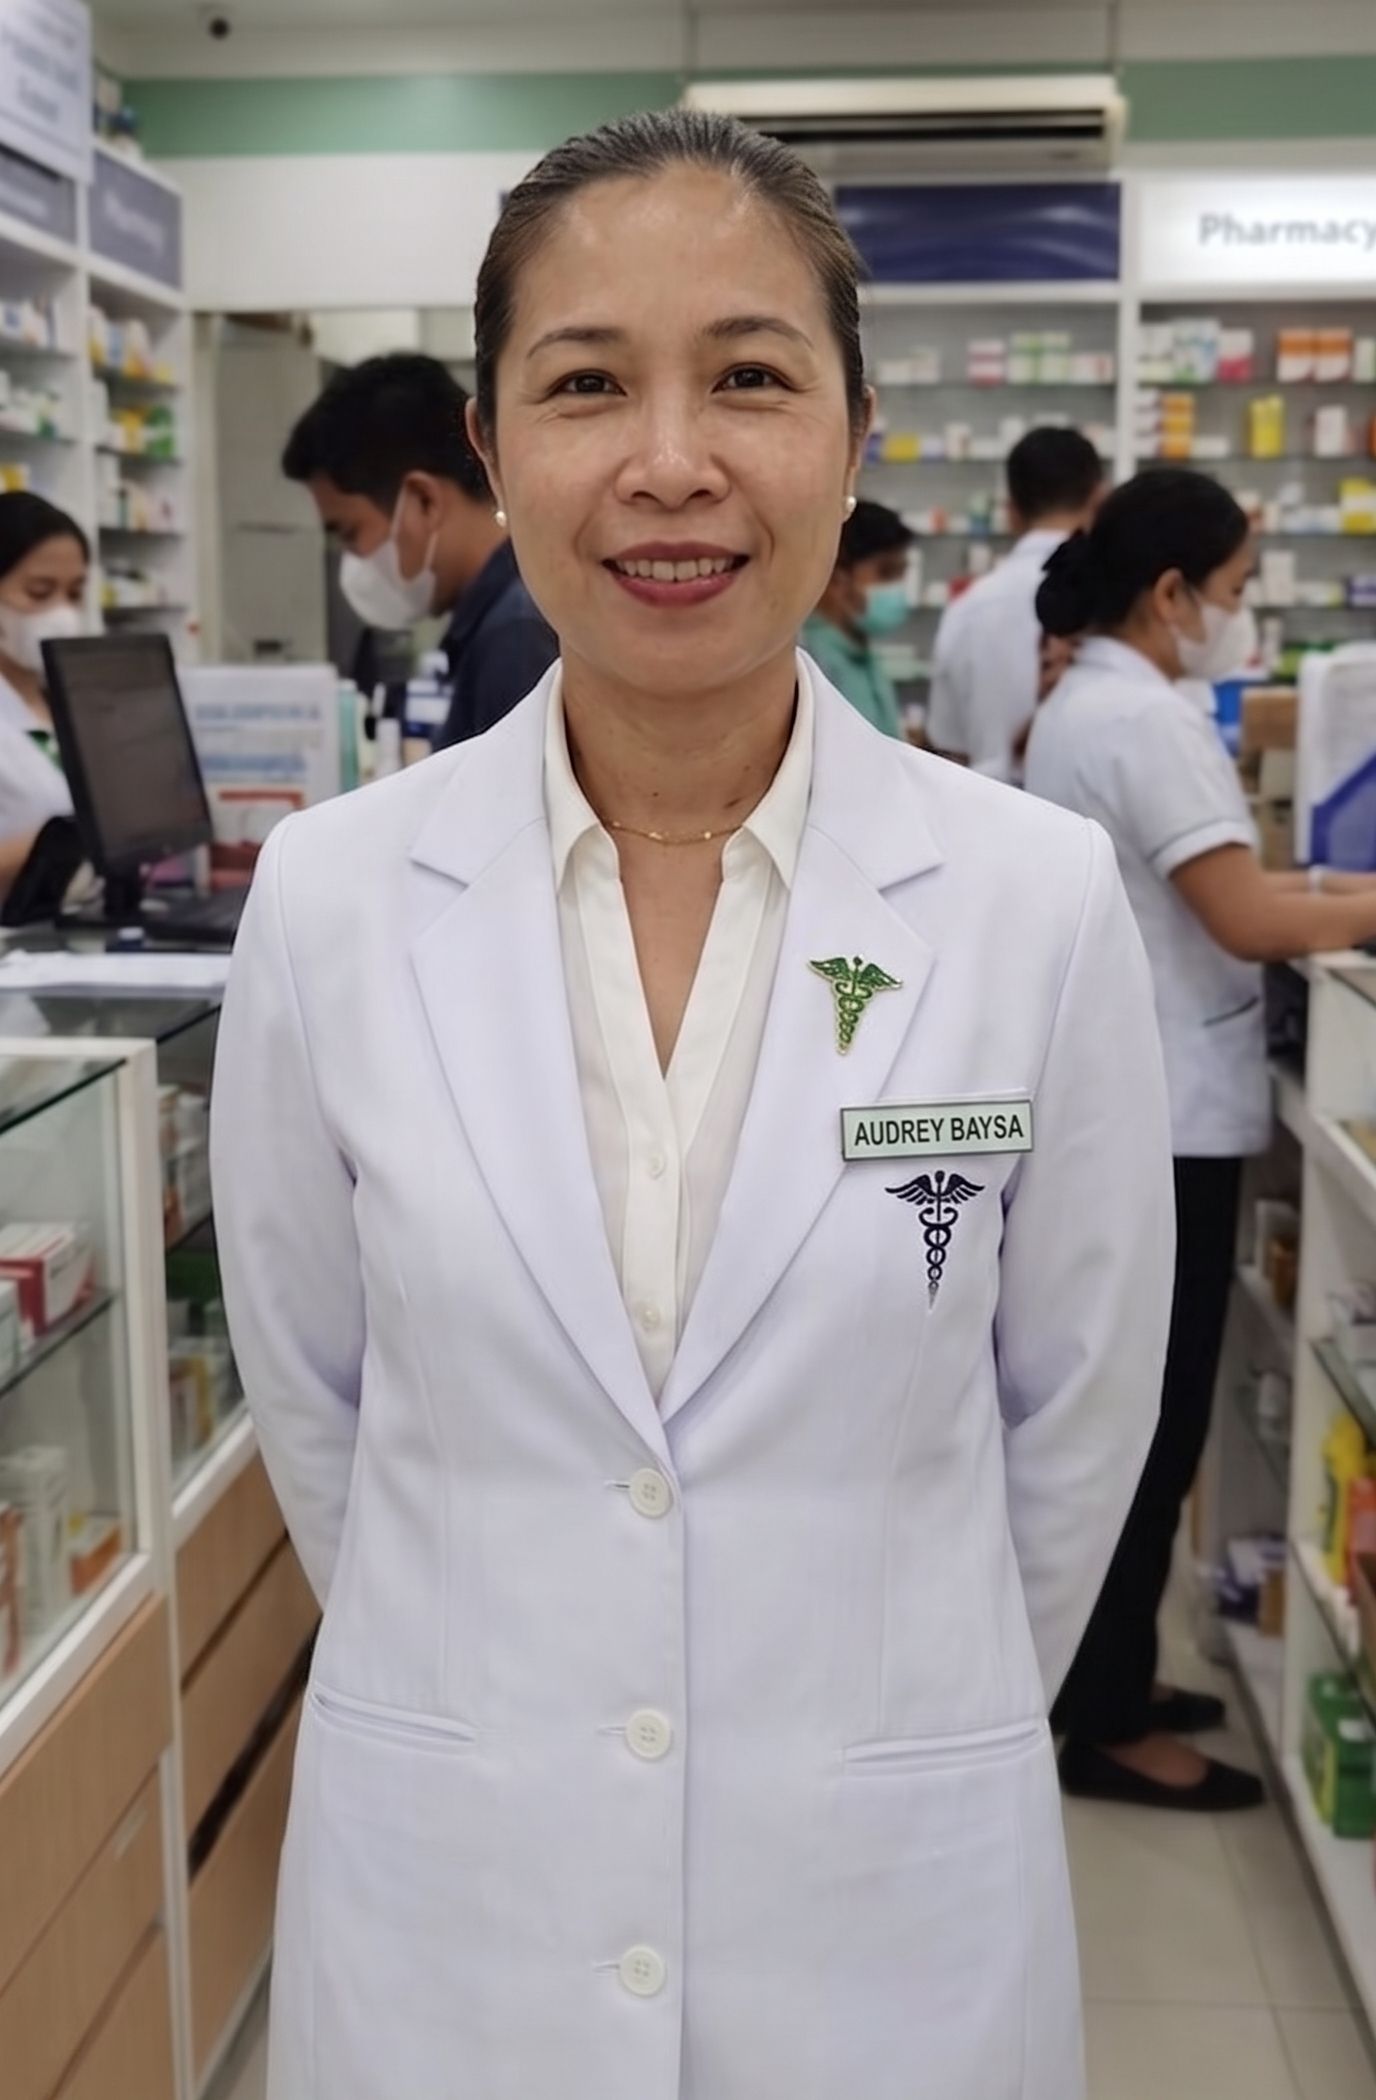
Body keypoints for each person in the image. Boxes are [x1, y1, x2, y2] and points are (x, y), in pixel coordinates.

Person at [212, 110, 1175, 2100]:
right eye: (584, 384)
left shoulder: (1026, 903)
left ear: (849, 432)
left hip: (885, 1909)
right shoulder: (332, 900)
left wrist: (876, 1695)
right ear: (490, 447)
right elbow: (317, 1409)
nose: (670, 462)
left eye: (749, 375)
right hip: (455, 1911)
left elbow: (1072, 1431)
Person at [1026, 467, 1376, 1813]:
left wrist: (1330, 887)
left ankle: (1099, 1679)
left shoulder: (1094, 700)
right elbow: (1240, 919)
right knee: (1152, 1435)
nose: (1237, 618)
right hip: (1164, 1117)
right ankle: (1106, 1723)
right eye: (1232, 594)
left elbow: (1222, 885)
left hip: (1142, 1102)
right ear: (1172, 594)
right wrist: (1349, 905)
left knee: (1140, 1425)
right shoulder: (1149, 718)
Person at [282, 351, 557, 746]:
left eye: (350, 532)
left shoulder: (514, 639)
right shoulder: (499, 620)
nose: (352, 560)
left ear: (423, 501)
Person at [927, 426, 1104, 780]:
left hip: (986, 816)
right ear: (1098, 501)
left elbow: (948, 751)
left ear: (1011, 512)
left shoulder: (968, 610)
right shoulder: (1122, 601)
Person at [0, 492, 86, 894]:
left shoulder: (66, 697)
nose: (62, 613)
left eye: (74, 593)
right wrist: (72, 842)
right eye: (39, 592)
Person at [801, 497, 912, 736]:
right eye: (886, 572)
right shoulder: (810, 665)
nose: (897, 587)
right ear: (837, 579)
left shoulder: (861, 656)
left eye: (902, 573)